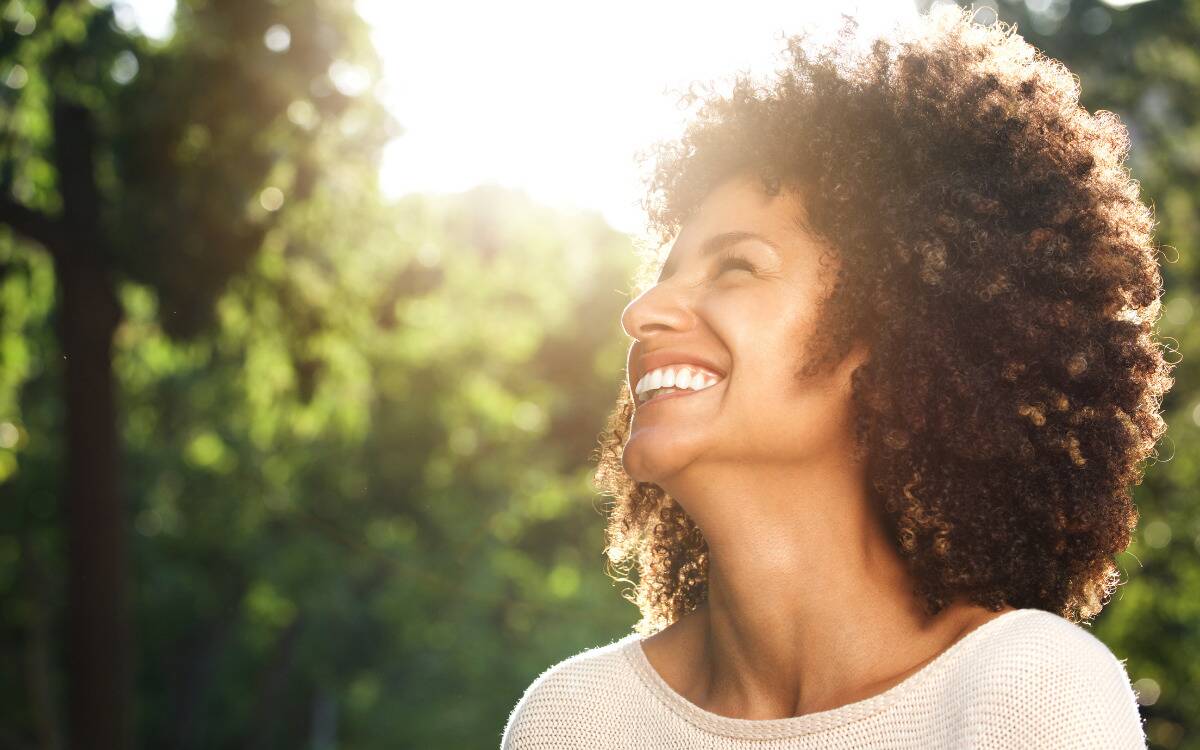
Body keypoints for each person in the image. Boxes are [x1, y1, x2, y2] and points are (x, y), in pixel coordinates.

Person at [502, 6, 1171, 748]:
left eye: (736, 267)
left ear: (889, 334)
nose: (644, 310)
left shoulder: (1026, 691)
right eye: (662, 276)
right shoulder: (575, 719)